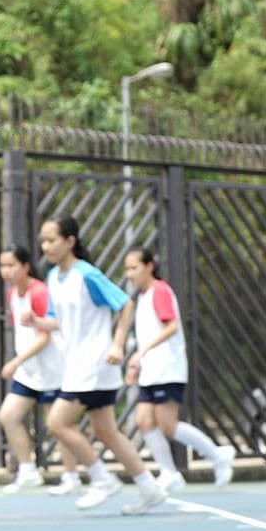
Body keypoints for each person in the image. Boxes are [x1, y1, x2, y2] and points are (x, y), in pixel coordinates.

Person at [39, 215, 166, 515]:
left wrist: (118, 344)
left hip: (94, 363)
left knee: (57, 422)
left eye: (52, 240)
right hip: (78, 365)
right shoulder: (53, 277)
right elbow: (57, 321)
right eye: (43, 241)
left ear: (70, 241)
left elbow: (125, 304)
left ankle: (102, 478)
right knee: (107, 432)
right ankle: (150, 487)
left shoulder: (87, 275)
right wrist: (36, 321)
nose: (46, 246)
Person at [122, 247, 235, 492]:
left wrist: (142, 353)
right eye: (127, 269)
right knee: (144, 420)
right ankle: (169, 473)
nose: (129, 274)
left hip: (167, 369)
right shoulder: (143, 297)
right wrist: (138, 363)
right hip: (151, 371)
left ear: (149, 266)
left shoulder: (160, 291)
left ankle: (217, 455)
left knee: (168, 425)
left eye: (134, 268)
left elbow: (171, 326)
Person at [0, 246, 75, 494]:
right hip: (28, 372)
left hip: (51, 370)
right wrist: (21, 363)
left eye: (11, 265)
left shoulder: (39, 292)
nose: (6, 271)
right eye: (3, 266)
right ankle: (28, 471)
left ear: (26, 267)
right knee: (8, 416)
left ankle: (71, 476)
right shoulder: (12, 294)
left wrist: (16, 361)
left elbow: (44, 337)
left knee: (57, 424)